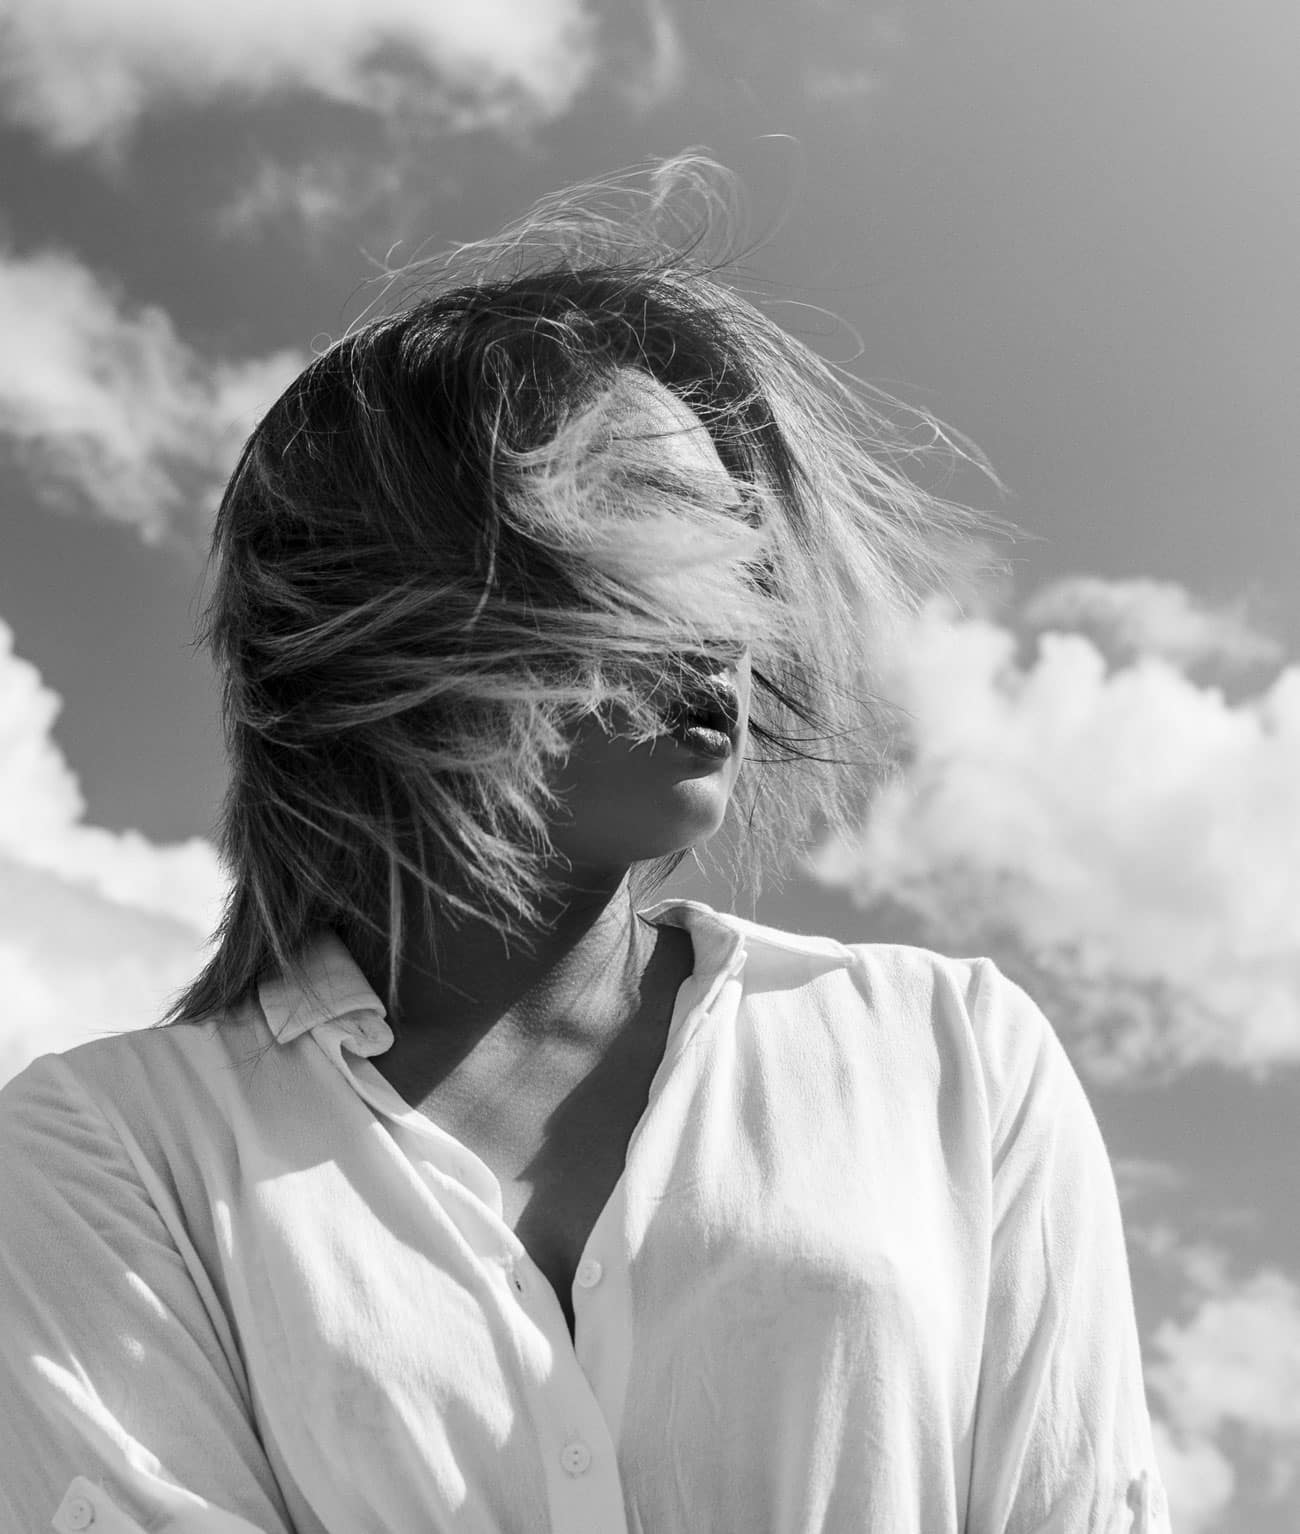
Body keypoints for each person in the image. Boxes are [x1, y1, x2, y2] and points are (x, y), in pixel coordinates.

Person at [0, 156, 1171, 1534]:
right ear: (393, 594)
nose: (727, 621)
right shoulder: (106, 1148)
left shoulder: (951, 1055)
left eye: (737, 546)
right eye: (638, 519)